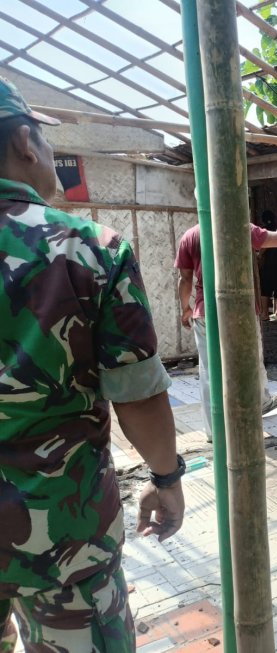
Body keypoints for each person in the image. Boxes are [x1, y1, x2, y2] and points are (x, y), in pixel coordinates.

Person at [0, 76, 185, 652]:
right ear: (27, 143)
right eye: (50, 144)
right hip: (63, 537)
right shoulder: (90, 249)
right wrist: (166, 479)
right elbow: (138, 396)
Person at [176, 192, 277, 441]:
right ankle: (251, 418)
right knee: (248, 365)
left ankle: (214, 432)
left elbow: (185, 279)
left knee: (210, 373)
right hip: (239, 312)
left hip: (205, 313)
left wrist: (185, 308)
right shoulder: (241, 229)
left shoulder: (190, 236)